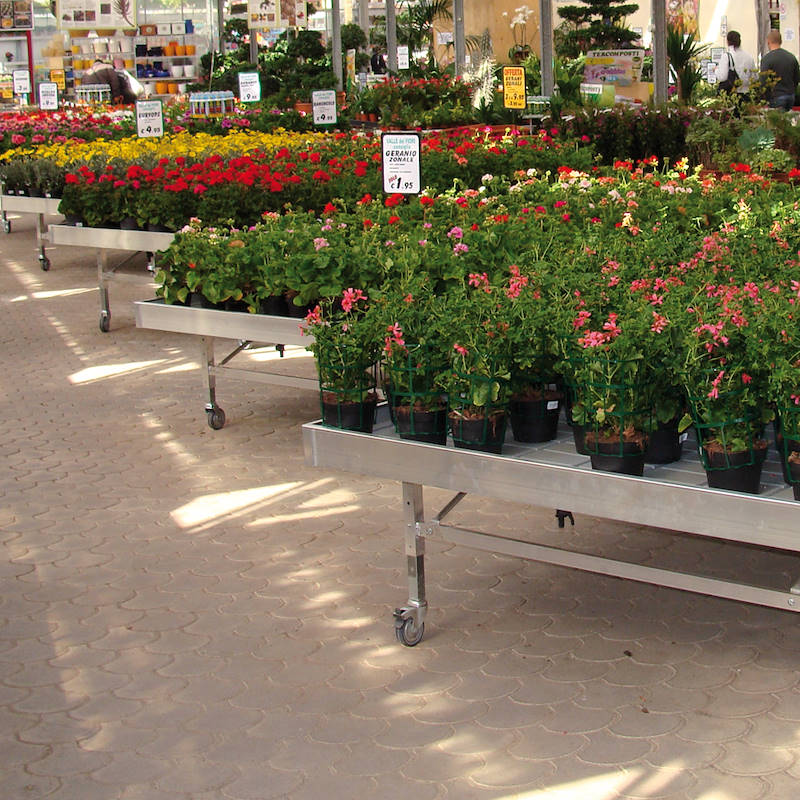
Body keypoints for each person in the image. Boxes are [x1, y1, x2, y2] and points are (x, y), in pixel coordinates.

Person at [759, 29, 800, 111]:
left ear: (768, 42)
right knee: (787, 121)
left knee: (777, 122)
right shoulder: (791, 57)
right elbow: (797, 78)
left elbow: (763, 80)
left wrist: (763, 96)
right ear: (780, 41)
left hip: (776, 96)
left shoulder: (767, 59)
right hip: (790, 95)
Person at [714, 30, 755, 100]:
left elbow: (722, 77)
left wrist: (716, 70)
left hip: (731, 93)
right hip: (746, 93)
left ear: (727, 42)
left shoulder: (727, 56)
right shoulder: (749, 57)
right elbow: (754, 77)